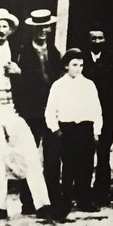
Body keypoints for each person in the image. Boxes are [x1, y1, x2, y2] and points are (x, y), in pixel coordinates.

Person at [0, 8, 53, 223]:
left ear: (10, 30)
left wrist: (20, 73)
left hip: (13, 109)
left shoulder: (19, 50)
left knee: (31, 155)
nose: (1, 29)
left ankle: (43, 204)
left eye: (4, 26)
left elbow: (34, 80)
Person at [45, 48, 103, 216]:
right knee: (69, 166)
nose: (78, 69)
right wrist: (56, 130)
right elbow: (50, 111)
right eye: (74, 65)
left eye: (81, 65)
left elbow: (96, 109)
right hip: (67, 129)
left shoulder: (89, 84)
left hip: (85, 128)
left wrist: (96, 131)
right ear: (66, 66)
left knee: (86, 165)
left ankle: (85, 199)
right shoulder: (58, 85)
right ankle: (66, 201)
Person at [15, 9, 64, 207]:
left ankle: (51, 197)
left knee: (53, 155)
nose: (43, 31)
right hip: (31, 112)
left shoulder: (54, 52)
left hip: (50, 111)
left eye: (46, 27)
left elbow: (59, 81)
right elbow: (19, 84)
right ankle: (27, 200)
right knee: (30, 154)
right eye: (39, 27)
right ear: (33, 29)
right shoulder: (23, 53)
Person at [82, 26, 113, 205]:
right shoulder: (81, 60)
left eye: (100, 38)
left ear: (105, 40)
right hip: (86, 113)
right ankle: (83, 191)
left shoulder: (111, 59)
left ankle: (102, 191)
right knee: (86, 153)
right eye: (93, 38)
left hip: (106, 114)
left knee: (104, 153)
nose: (97, 42)